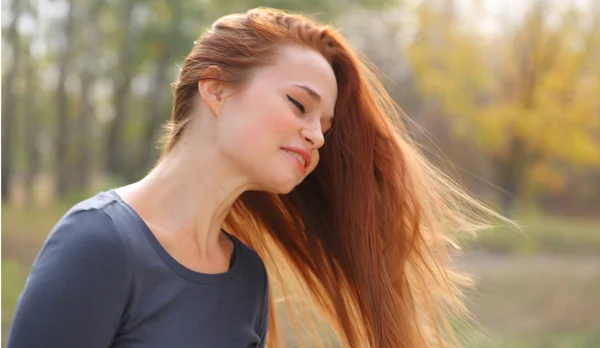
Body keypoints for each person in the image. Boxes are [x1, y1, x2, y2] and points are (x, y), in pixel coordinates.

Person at [7, 7, 509, 348]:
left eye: (325, 126)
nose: (316, 137)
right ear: (217, 91)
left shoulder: (246, 277)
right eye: (299, 105)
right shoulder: (98, 243)